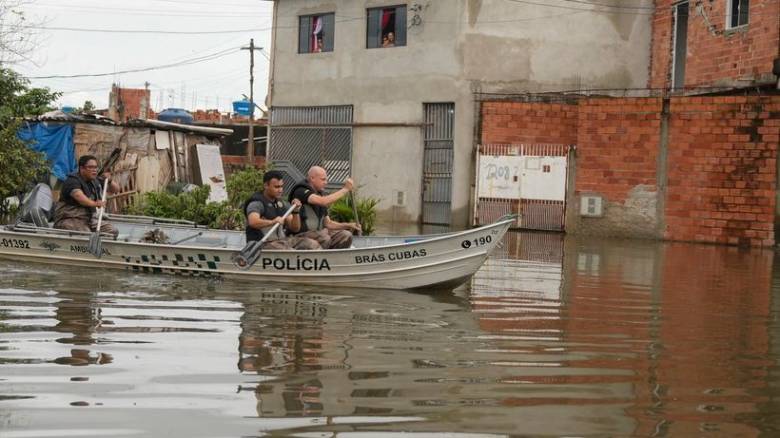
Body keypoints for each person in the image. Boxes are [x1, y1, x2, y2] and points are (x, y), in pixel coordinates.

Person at [244, 170, 321, 250]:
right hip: (263, 244)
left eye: (281, 186)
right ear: (266, 186)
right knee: (288, 250)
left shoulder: (281, 204)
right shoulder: (256, 203)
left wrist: (295, 211)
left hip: (282, 241)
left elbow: (295, 228)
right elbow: (253, 222)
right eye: (276, 187)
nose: (280, 190)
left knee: (312, 244)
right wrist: (272, 222)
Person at [288, 166, 361, 249]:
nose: (326, 182)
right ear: (312, 178)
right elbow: (323, 201)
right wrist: (345, 189)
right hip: (300, 236)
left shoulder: (319, 194)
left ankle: (335, 255)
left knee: (346, 235)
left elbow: (328, 223)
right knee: (324, 237)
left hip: (319, 235)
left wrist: (349, 225)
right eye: (323, 179)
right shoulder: (301, 190)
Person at [53, 155, 120, 237]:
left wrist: (110, 180)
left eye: (95, 167)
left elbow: (116, 190)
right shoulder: (72, 181)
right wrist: (95, 204)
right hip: (69, 219)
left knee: (112, 231)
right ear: (82, 168)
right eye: (90, 167)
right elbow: (79, 197)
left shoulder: (95, 181)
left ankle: (100, 245)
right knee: (86, 235)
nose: (94, 170)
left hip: (87, 219)